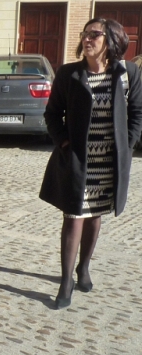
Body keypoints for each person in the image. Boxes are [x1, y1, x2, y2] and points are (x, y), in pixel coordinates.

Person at [40, 18, 142, 309]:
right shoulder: (69, 74)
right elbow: (51, 115)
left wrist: (128, 144)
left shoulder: (127, 74)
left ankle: (83, 268)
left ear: (111, 40)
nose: (87, 39)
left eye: (94, 34)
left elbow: (137, 112)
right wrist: (64, 143)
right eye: (85, 34)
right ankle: (65, 281)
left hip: (108, 161)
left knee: (95, 215)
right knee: (73, 216)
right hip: (78, 159)